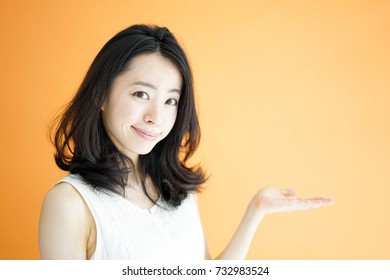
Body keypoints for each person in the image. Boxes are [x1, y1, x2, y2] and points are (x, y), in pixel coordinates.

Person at [38, 24, 334, 260]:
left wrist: (255, 212)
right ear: (101, 95)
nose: (156, 116)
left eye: (170, 100)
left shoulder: (177, 190)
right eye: (141, 94)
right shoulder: (70, 203)